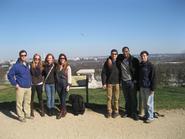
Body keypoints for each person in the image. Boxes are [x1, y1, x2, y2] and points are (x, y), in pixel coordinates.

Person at [7, 50, 32, 122]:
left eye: (25, 55)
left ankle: (27, 114)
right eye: (22, 55)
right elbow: (10, 75)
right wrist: (15, 84)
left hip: (28, 87)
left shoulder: (27, 64)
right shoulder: (16, 66)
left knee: (27, 102)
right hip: (20, 87)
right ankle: (20, 116)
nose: (23, 56)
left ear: (26, 56)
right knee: (19, 102)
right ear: (19, 56)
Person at [117, 47, 140, 120]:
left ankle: (134, 113)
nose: (125, 53)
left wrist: (136, 80)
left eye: (126, 51)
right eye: (124, 51)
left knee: (133, 98)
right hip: (124, 82)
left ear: (129, 51)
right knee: (127, 98)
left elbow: (138, 71)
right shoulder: (120, 59)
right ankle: (128, 112)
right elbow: (113, 57)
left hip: (131, 82)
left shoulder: (134, 60)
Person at [101, 49, 120, 118]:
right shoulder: (107, 62)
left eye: (115, 54)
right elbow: (103, 73)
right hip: (109, 83)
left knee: (116, 98)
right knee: (109, 98)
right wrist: (104, 83)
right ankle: (109, 111)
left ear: (117, 55)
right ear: (111, 54)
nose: (114, 55)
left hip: (117, 83)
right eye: (112, 54)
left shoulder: (119, 61)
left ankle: (116, 111)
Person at [139, 51, 156, 123]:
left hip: (148, 87)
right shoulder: (140, 65)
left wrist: (153, 88)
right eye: (142, 56)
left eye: (144, 56)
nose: (143, 57)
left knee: (149, 103)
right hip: (142, 86)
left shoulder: (151, 65)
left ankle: (151, 117)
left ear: (147, 56)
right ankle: (146, 115)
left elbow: (153, 78)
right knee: (144, 102)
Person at [55, 53, 72, 119]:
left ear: (65, 59)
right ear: (59, 59)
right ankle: (64, 111)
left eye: (63, 58)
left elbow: (70, 76)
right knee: (61, 99)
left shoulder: (68, 67)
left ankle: (61, 112)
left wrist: (69, 85)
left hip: (65, 85)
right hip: (58, 85)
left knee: (63, 99)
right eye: (61, 58)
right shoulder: (57, 66)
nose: (62, 59)